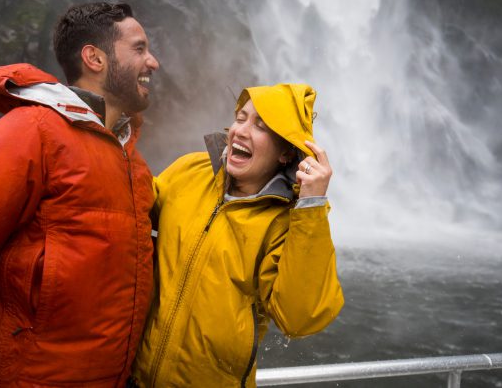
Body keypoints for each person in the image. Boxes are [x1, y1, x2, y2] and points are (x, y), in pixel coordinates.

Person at [0, 2, 160, 387]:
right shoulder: (30, 133)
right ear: (94, 58)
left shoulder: (133, 164)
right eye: (139, 48)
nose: (153, 62)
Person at [131, 84, 344, 387]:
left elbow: (300, 318)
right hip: (134, 378)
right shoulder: (191, 170)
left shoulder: (285, 223)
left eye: (261, 125)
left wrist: (311, 203)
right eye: (240, 118)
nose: (240, 131)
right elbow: (126, 209)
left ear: (286, 152)